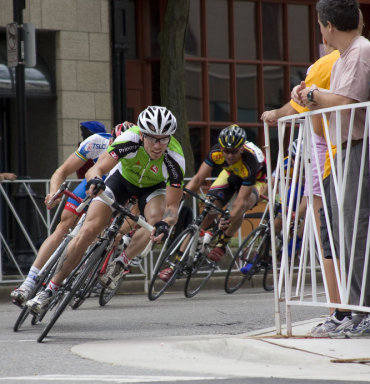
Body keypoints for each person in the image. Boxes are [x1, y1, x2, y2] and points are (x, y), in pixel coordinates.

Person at [26, 106, 185, 313]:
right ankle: (50, 289)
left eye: (164, 139)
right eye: (153, 138)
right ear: (142, 133)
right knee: (88, 230)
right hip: (122, 181)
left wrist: (166, 223)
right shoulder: (129, 140)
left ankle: (123, 261)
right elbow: (97, 168)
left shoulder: (175, 159)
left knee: (155, 219)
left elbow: (172, 209)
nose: (158, 145)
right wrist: (95, 181)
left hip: (152, 189)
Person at [294, 0, 370, 338]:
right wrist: (309, 97)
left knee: (356, 229)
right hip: (347, 148)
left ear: (327, 26)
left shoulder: (360, 52)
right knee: (346, 230)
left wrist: (311, 95)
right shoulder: (343, 58)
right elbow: (332, 104)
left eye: (319, 26)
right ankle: (357, 311)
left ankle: (364, 311)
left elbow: (344, 101)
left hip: (360, 146)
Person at [10, 121, 128, 305]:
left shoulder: (138, 158)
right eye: (115, 145)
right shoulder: (96, 141)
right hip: (95, 181)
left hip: (117, 190)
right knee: (63, 226)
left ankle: (71, 274)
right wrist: (53, 192)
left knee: (90, 235)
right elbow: (62, 171)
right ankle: (28, 282)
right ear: (111, 139)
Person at [159, 124, 266, 282]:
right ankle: (175, 264)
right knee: (208, 209)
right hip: (231, 173)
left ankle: (222, 243)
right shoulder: (216, 152)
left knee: (242, 206)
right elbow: (197, 180)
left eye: (234, 152)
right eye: (226, 151)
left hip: (256, 180)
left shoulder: (250, 161)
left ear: (241, 149)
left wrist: (228, 217)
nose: (229, 156)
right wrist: (179, 198)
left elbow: (240, 201)